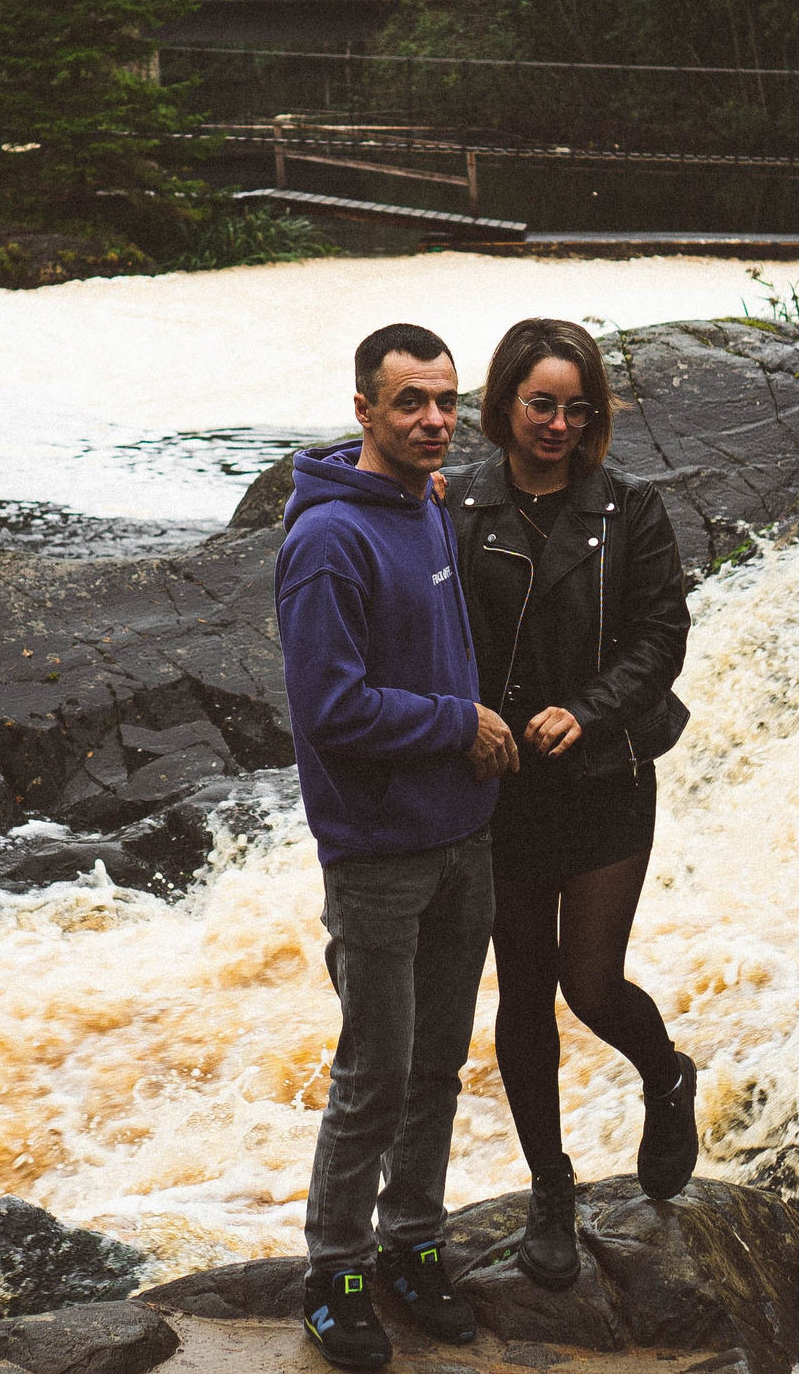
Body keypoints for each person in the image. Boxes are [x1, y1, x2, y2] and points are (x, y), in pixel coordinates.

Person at [277, 322, 519, 1370]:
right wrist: (457, 724)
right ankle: (335, 1272)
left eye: (444, 402)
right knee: (374, 1072)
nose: (432, 422)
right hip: (377, 851)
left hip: (461, 837)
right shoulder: (326, 540)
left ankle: (413, 1244)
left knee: (436, 1068)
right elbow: (330, 708)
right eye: (410, 402)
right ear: (364, 409)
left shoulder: (427, 506)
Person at [444, 316, 696, 1291]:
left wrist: (585, 715)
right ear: (504, 402)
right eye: (539, 403)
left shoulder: (627, 510)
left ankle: (665, 1075)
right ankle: (552, 1188)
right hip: (500, 783)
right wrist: (462, 718)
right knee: (523, 996)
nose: (556, 423)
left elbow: (659, 635)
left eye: (573, 407)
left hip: (602, 775)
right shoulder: (457, 504)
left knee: (591, 985)